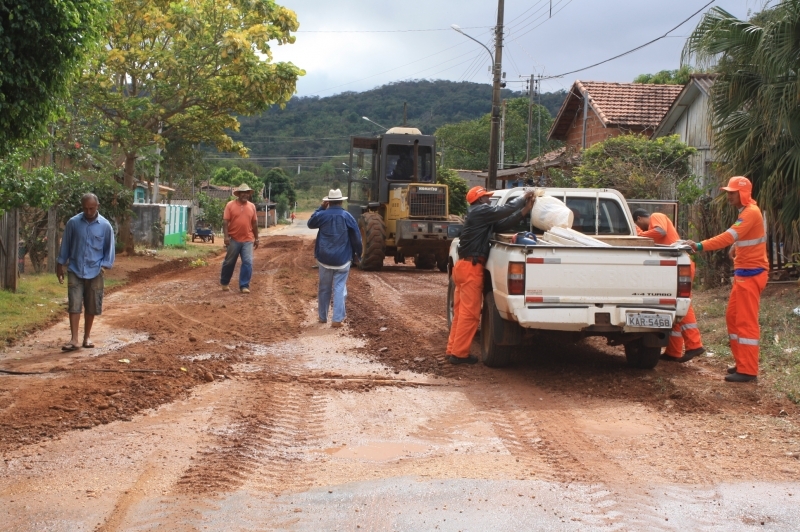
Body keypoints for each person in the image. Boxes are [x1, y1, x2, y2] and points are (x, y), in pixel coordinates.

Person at [686, 176, 769, 383]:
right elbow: (742, 237)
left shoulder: (750, 212)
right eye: (728, 192)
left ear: (743, 193)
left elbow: (728, 236)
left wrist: (699, 246)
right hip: (744, 274)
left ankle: (748, 370)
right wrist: (736, 246)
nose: (729, 196)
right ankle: (742, 363)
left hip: (752, 274)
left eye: (732, 193)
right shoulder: (747, 212)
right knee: (733, 318)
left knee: (746, 322)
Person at [446, 186, 536, 365]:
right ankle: (459, 354)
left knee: (461, 312)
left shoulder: (479, 216)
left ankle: (453, 350)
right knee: (470, 314)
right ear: (480, 200)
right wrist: (523, 197)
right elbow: (506, 209)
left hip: (463, 267)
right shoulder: (480, 211)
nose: (489, 200)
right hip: (471, 269)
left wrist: (525, 210)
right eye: (487, 197)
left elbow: (504, 223)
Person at [632, 209, 705, 363]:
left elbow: (660, 231)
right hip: (674, 265)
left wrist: (639, 234)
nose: (642, 229)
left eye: (638, 225)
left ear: (639, 218)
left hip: (679, 264)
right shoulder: (652, 224)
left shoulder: (656, 216)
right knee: (673, 304)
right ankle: (673, 351)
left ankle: (695, 345)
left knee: (681, 303)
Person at [56, 193, 115, 351]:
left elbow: (109, 249)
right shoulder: (73, 223)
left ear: (97, 206)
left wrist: (103, 266)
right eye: (86, 208)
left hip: (95, 271)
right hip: (75, 269)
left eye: (92, 208)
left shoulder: (105, 226)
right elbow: (65, 245)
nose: (89, 212)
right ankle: (74, 339)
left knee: (92, 305)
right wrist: (59, 265)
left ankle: (87, 337)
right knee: (74, 303)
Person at [307, 189, 362, 327]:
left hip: (324, 258)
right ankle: (337, 319)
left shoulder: (322, 215)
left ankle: (322, 317)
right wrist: (357, 254)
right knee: (339, 288)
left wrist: (321, 208)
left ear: (328, 202)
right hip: (343, 259)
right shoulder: (347, 216)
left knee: (324, 288)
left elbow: (310, 223)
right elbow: (356, 238)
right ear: (341, 201)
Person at [221, 183, 259, 293]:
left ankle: (244, 285)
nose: (245, 195)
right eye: (243, 193)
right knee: (229, 262)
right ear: (238, 194)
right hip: (233, 239)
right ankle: (224, 282)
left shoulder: (252, 206)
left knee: (248, 262)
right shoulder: (230, 205)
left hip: (248, 239)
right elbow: (225, 222)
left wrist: (256, 238)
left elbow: (254, 223)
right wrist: (226, 236)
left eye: (247, 193)